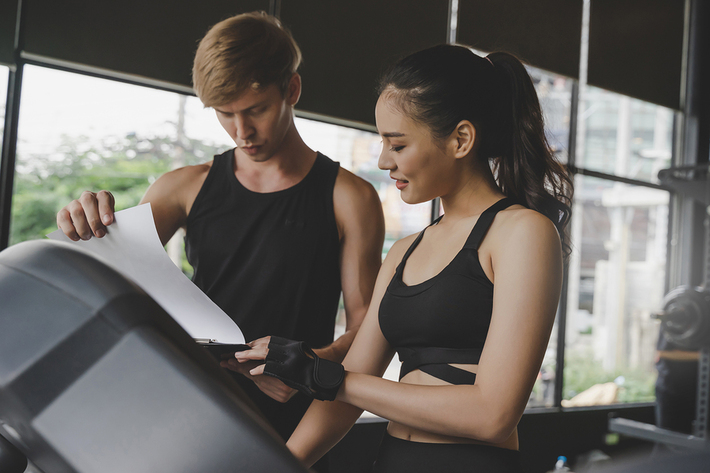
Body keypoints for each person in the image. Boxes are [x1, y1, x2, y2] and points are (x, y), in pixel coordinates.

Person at [55, 11, 385, 470]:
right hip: (190, 413)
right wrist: (86, 222)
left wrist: (309, 363)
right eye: (225, 115)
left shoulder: (351, 197)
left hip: (296, 425)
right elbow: (103, 279)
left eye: (256, 110)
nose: (241, 132)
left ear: (291, 90)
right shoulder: (182, 187)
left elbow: (368, 327)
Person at [237, 44, 573, 472]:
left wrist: (327, 377)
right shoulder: (404, 250)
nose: (383, 160)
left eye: (397, 145)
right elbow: (346, 392)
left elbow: (493, 415)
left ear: (461, 139)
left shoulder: (521, 232)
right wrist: (280, 463)